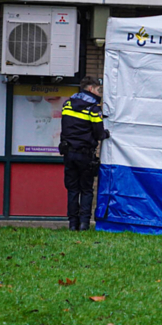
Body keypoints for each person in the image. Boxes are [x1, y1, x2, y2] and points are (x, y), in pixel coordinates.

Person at [59, 76, 109, 231]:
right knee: (86, 189)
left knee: (73, 189)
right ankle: (84, 224)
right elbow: (99, 133)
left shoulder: (68, 104)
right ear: (90, 89)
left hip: (69, 153)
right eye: (98, 89)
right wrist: (106, 133)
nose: (100, 93)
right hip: (85, 155)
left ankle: (72, 224)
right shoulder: (93, 108)